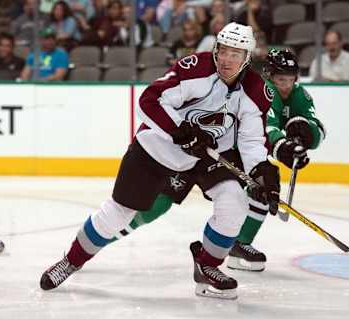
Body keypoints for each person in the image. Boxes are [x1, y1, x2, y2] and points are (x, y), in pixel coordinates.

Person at [39, 22, 280, 300]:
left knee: (234, 203)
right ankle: (71, 260)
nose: (226, 59)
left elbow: (251, 140)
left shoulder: (255, 90)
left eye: (235, 54)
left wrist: (261, 172)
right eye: (223, 51)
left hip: (207, 155)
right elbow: (149, 100)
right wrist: (180, 131)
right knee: (118, 212)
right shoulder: (196, 69)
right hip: (158, 147)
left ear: (247, 57)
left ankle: (207, 266)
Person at [111, 49, 325, 273]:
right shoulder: (262, 90)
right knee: (159, 204)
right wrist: (283, 147)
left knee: (260, 187)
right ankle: (103, 236)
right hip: (198, 148)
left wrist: (306, 136)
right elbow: (267, 130)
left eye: (291, 80)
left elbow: (313, 126)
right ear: (268, 75)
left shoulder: (299, 95)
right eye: (281, 79)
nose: (286, 85)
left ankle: (237, 245)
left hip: (226, 155)